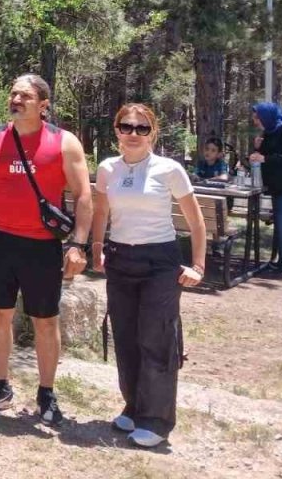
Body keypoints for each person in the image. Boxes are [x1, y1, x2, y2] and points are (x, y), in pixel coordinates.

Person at [0, 74, 92, 425]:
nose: (16, 99)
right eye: (13, 94)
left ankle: (47, 393)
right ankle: (0, 386)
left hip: (42, 245)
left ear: (43, 104)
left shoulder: (64, 142)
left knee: (45, 321)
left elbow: (83, 196)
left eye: (25, 96)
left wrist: (78, 244)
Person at [91, 103, 207, 448]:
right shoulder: (107, 168)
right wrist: (97, 244)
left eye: (142, 129)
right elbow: (101, 210)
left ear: (152, 133)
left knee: (155, 338)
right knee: (125, 337)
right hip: (120, 258)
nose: (133, 134)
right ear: (116, 130)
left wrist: (198, 266)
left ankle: (157, 419)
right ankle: (134, 406)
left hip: (159, 261)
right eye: (126, 127)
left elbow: (195, 221)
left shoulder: (168, 169)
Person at [249, 102, 282, 274]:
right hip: (277, 186)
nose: (255, 121)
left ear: (266, 116)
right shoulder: (271, 130)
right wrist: (258, 149)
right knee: (280, 224)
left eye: (257, 117)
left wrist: (264, 158)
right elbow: (267, 154)